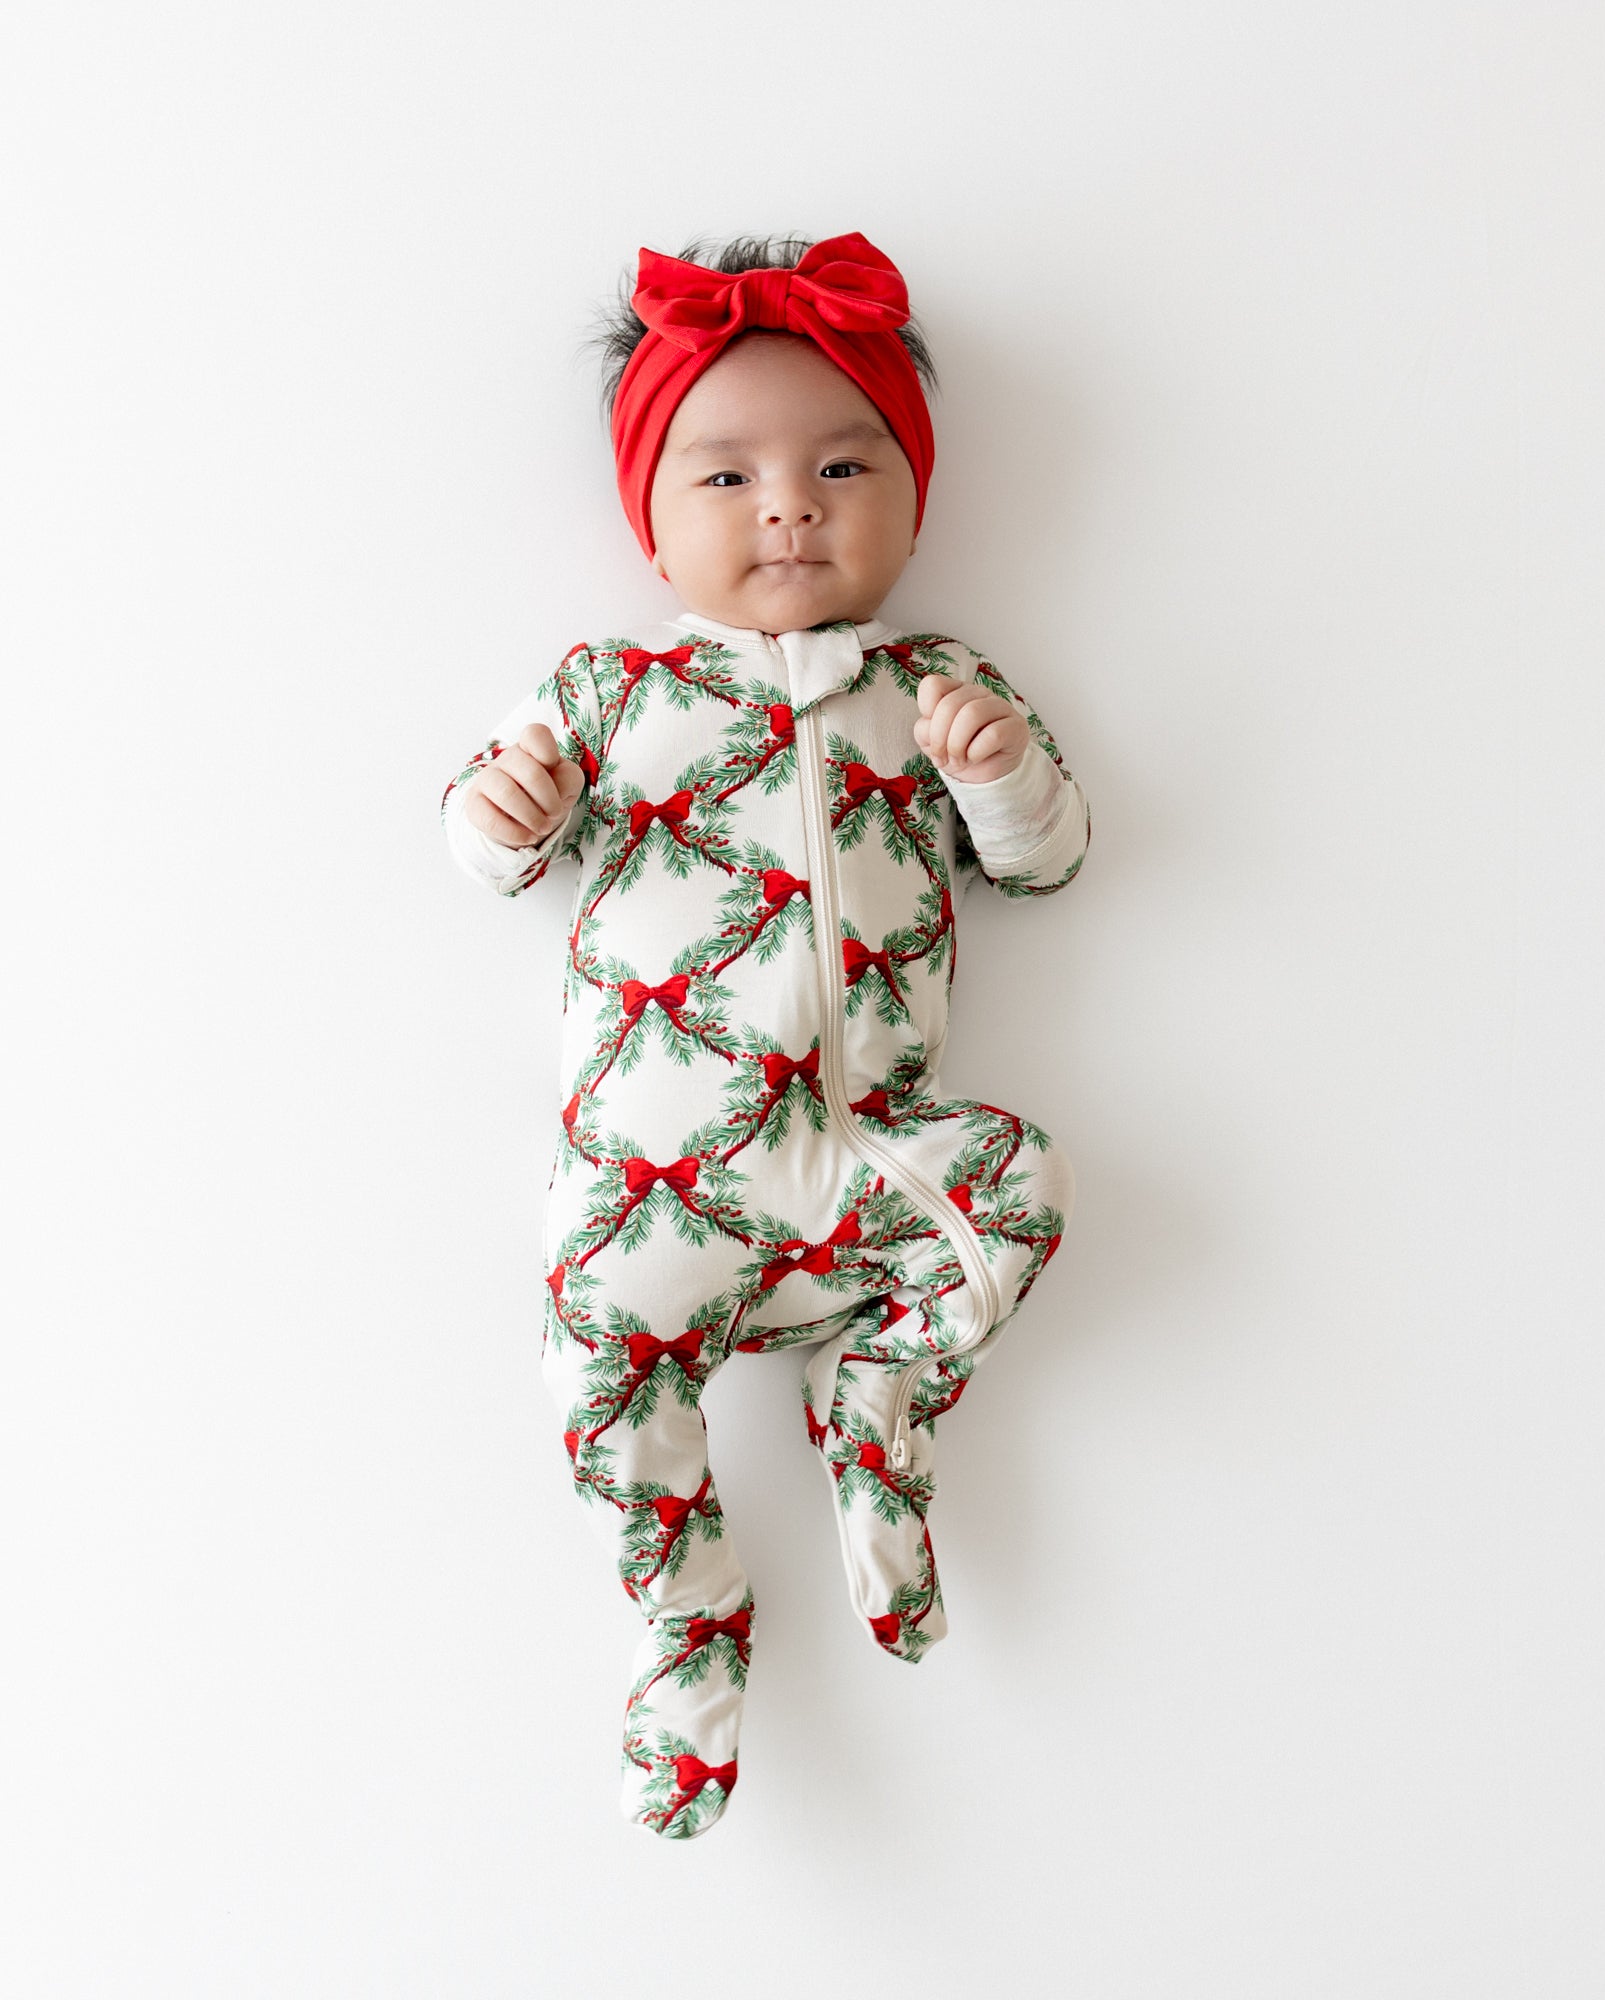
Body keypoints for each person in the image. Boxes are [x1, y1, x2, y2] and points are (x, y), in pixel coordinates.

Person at [439, 230, 1091, 1839]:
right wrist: (500, 811)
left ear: (911, 500)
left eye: (841, 463)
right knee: (597, 1369)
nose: (789, 504)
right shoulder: (610, 688)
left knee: (1022, 1182)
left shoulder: (935, 682)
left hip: (863, 1161)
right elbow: (493, 841)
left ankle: (879, 1400)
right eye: (725, 477)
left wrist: (998, 768)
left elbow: (1048, 859)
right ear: (651, 520)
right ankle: (689, 1619)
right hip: (657, 1181)